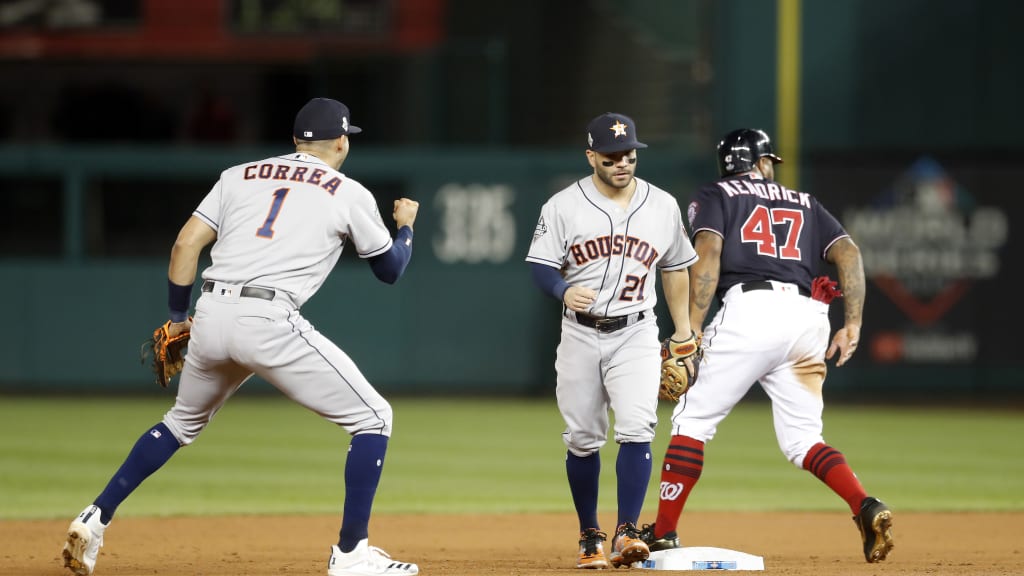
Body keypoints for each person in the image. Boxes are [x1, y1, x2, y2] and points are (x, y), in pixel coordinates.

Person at [61, 97, 421, 576]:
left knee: (179, 423)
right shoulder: (347, 190)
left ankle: (96, 518)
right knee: (374, 417)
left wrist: (176, 318)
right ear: (341, 141)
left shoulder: (238, 175)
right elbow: (390, 271)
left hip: (210, 312)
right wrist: (406, 228)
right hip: (267, 318)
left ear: (296, 140)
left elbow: (186, 244)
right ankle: (352, 554)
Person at [639, 128, 894, 563]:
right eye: (769, 161)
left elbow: (708, 251)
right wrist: (852, 323)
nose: (772, 168)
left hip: (750, 309)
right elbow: (849, 252)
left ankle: (663, 533)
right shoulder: (805, 202)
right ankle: (865, 505)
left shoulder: (716, 193)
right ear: (760, 162)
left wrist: (692, 331)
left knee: (692, 420)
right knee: (803, 440)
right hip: (807, 318)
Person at [525, 112, 699, 569]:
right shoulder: (563, 205)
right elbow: (540, 264)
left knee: (638, 427)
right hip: (580, 333)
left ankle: (626, 531)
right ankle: (589, 534)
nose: (622, 163)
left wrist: (682, 332)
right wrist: (563, 289)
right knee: (583, 437)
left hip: (637, 330)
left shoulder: (662, 204)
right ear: (591, 157)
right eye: (611, 156)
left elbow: (676, 266)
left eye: (628, 155)